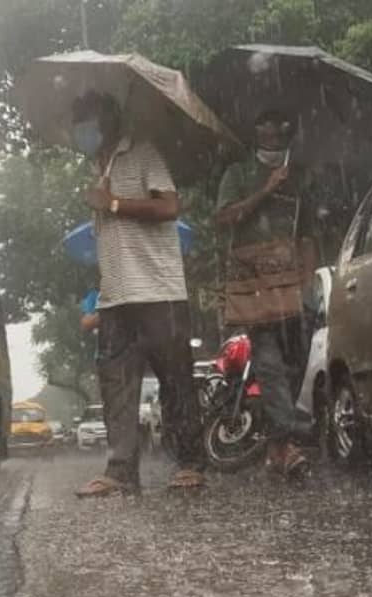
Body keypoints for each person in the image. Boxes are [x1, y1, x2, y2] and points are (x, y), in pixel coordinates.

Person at [68, 91, 204, 498]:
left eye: (87, 120)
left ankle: (190, 463)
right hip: (114, 298)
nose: (83, 130)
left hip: (158, 290)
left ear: (109, 119)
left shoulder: (144, 154)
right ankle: (121, 470)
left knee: (175, 379)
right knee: (116, 385)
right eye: (79, 124)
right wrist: (104, 198)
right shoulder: (98, 167)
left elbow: (169, 207)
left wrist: (111, 203)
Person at [214, 109, 319, 477]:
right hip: (254, 285)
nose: (274, 133)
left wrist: (307, 280)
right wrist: (266, 189)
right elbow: (225, 218)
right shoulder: (237, 174)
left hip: (293, 285)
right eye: (267, 127)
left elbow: (307, 236)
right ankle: (289, 441)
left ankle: (277, 447)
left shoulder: (299, 178)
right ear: (256, 131)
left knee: (295, 361)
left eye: (281, 127)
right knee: (270, 362)